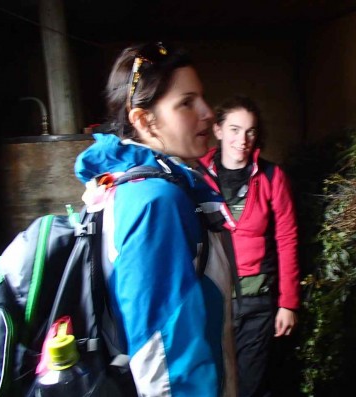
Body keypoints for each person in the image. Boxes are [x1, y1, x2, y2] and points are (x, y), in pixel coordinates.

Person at [74, 42, 237, 397]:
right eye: (186, 102)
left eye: (202, 98)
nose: (208, 113)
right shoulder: (156, 202)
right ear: (144, 120)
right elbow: (164, 360)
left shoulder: (127, 184)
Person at [197, 96, 300, 397]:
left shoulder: (271, 176)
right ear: (218, 130)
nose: (242, 140)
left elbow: (287, 238)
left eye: (250, 131)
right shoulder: (196, 178)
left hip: (257, 302)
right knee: (214, 381)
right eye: (234, 129)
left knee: (248, 385)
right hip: (213, 301)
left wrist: (288, 303)